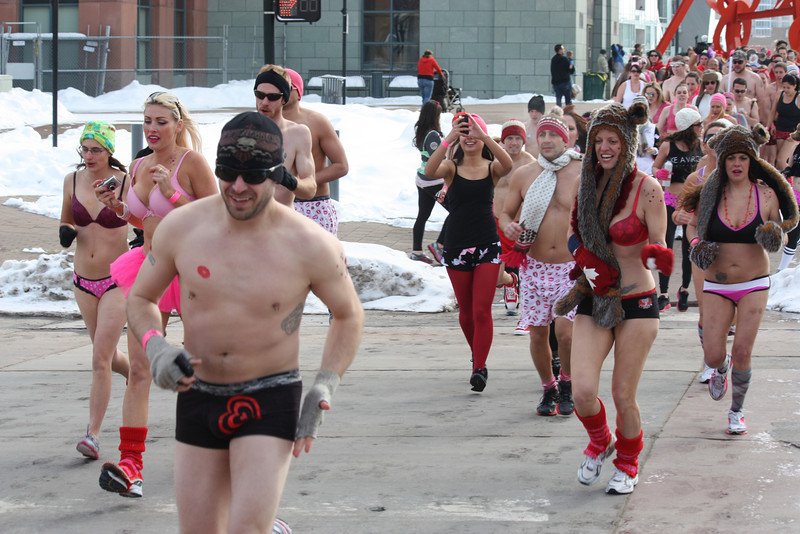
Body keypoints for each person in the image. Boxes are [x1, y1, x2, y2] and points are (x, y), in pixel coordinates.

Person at [125, 111, 364, 533]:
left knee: (245, 529)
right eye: (228, 173)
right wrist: (155, 346)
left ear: (277, 174)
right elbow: (142, 297)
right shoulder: (182, 228)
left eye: (252, 175)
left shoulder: (309, 244)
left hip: (269, 397)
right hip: (198, 393)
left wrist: (326, 382)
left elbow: (348, 314)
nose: (238, 187)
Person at [95, 91, 218, 498]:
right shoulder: (137, 165)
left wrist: (177, 193)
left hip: (191, 271)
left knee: (208, 369)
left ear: (178, 125)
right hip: (148, 270)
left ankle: (221, 457)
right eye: (147, 121)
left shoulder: (191, 162)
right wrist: (117, 206)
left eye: (161, 122)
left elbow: (216, 216)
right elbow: (142, 218)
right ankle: (131, 465)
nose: (151, 129)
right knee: (141, 369)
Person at [554, 100, 672, 495]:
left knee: (623, 393)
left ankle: (628, 460)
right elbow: (573, 231)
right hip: (595, 295)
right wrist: (583, 255)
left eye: (613, 140)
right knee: (584, 391)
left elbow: (659, 242)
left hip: (637, 300)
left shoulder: (647, 188)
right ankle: (600, 440)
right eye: (599, 140)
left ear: (627, 142)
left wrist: (658, 256)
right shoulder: (585, 183)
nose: (605, 148)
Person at [685, 124, 798, 435]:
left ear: (752, 160)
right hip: (717, 284)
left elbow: (783, 226)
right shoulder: (711, 193)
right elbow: (691, 226)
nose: (737, 163)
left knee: (744, 351)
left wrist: (775, 232)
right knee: (713, 354)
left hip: (754, 282)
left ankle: (737, 411)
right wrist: (697, 245)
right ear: (723, 161)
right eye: (731, 157)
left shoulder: (767, 194)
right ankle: (721, 368)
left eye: (743, 157)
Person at [499, 115, 582, 416]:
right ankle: (549, 388)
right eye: (542, 134)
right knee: (537, 334)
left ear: (565, 139)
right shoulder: (525, 174)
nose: (546, 139)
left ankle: (568, 384)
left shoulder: (582, 172)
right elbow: (506, 213)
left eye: (553, 134)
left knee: (566, 333)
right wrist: (508, 226)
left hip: (569, 268)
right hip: (533, 266)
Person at [424, 111, 513, 392]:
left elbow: (508, 164)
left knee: (481, 309)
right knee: (466, 312)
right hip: (456, 245)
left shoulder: (491, 167)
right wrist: (449, 138)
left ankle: (479, 367)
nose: (469, 137)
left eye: (472, 132)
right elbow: (429, 172)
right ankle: (477, 353)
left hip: (487, 243)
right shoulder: (450, 167)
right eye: (464, 133)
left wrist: (483, 133)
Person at [59, 121, 131, 459]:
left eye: (96, 150)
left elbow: (139, 215)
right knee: (109, 356)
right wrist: (66, 231)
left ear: (109, 151)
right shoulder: (71, 180)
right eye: (85, 149)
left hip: (116, 279)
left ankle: (93, 434)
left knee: (99, 358)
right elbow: (66, 219)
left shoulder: (125, 180)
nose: (89, 156)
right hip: (83, 281)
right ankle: (135, 371)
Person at [674, 120, 733, 382]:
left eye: (722, 136)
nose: (715, 141)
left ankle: (722, 355)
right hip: (701, 250)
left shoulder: (741, 173)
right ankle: (711, 361)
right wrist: (682, 218)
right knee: (707, 311)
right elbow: (678, 212)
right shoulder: (695, 178)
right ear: (704, 143)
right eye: (710, 137)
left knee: (731, 315)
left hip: (735, 252)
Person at [283, 68, 349, 236]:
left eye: (287, 86)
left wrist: (301, 184)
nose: (281, 90)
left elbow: (341, 165)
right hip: (278, 207)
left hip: (312, 205)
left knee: (317, 262)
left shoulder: (316, 121)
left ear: (299, 93)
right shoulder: (262, 124)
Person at [652, 107, 703, 312]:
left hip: (691, 202)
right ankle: (663, 293)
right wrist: (660, 172)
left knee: (689, 247)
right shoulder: (668, 145)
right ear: (689, 127)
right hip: (671, 199)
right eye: (699, 125)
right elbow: (655, 167)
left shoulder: (700, 146)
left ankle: (684, 289)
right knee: (667, 245)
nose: (701, 128)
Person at [254, 64, 317, 205]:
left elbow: (310, 189)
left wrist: (288, 180)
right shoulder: (240, 131)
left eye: (273, 97)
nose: (264, 102)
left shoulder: (298, 133)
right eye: (259, 95)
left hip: (281, 222)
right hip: (247, 223)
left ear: (284, 99)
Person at [494, 118, 535, 319]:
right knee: (491, 266)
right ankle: (509, 281)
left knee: (513, 263)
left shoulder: (531, 165)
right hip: (492, 220)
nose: (513, 143)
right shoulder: (492, 160)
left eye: (518, 138)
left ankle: (512, 285)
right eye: (509, 138)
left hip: (516, 223)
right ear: (503, 140)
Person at [410, 100, 446, 263]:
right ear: (435, 116)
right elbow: (436, 159)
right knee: (457, 211)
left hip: (422, 179)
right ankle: (440, 245)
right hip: (434, 180)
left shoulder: (422, 131)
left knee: (422, 215)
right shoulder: (432, 134)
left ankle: (417, 251)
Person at [777, 123, 800, 271]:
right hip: (796, 195)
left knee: (794, 233)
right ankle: (782, 269)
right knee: (793, 231)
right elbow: (789, 168)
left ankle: (782, 269)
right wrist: (783, 173)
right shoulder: (796, 148)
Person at [766, 73, 800, 169]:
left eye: (788, 88)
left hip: (793, 133)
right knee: (781, 161)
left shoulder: (798, 98)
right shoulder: (780, 94)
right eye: (784, 87)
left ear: (795, 86)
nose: (786, 90)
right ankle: (785, 181)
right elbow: (772, 112)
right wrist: (768, 127)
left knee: (781, 160)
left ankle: (789, 182)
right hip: (780, 130)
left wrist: (797, 133)